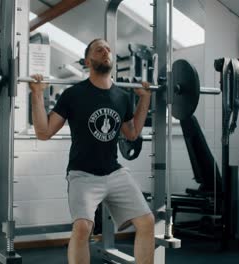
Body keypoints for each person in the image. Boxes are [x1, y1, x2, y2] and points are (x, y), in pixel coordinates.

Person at [29, 38, 155, 264]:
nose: (106, 52)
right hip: (82, 174)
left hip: (114, 172)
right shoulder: (73, 95)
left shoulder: (122, 96)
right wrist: (37, 94)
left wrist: (145, 98)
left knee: (147, 222)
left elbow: (133, 133)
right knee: (82, 227)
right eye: (99, 49)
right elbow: (44, 132)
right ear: (88, 60)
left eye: (108, 49)